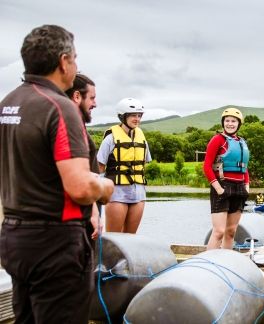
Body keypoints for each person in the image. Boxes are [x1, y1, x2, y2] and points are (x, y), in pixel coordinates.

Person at [0, 25, 114, 323]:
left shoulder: (8, 103)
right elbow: (79, 187)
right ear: (63, 61)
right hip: (55, 240)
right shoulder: (59, 107)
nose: (75, 65)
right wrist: (105, 187)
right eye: (74, 59)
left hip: (14, 238)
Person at [97, 98, 152, 234]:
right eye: (133, 115)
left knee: (130, 238)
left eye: (139, 115)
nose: (137, 119)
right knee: (114, 239)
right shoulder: (110, 138)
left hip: (138, 193)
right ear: (123, 116)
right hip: (117, 193)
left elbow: (144, 161)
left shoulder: (141, 137)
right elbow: (99, 168)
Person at [203, 107, 250, 250]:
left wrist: (247, 185)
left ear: (239, 124)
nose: (230, 124)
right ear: (223, 123)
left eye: (233, 121)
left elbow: (245, 167)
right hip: (222, 186)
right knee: (219, 232)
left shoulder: (242, 141)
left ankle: (226, 262)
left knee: (231, 232)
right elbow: (207, 166)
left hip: (239, 188)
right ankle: (208, 263)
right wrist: (218, 188)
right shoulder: (217, 139)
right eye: (227, 121)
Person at [65, 73, 102, 241]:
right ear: (77, 96)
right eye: (92, 98)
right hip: (80, 216)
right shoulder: (69, 128)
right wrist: (93, 210)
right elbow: (76, 176)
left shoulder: (76, 126)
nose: (95, 104)